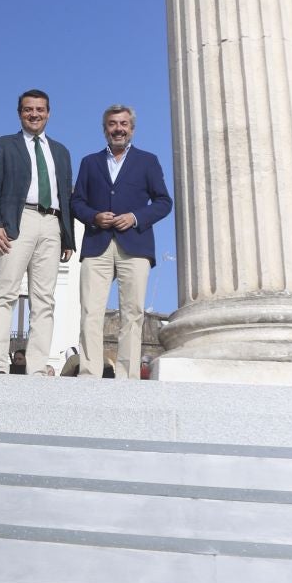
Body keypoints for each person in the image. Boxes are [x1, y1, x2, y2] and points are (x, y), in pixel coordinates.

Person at [71, 104, 172, 379]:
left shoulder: (148, 161)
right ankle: (89, 372)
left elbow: (164, 202)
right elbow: (76, 202)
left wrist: (136, 217)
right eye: (113, 124)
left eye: (123, 124)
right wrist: (94, 217)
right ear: (105, 129)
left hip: (135, 244)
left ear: (132, 129)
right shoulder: (89, 162)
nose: (118, 128)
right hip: (97, 244)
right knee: (91, 311)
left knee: (133, 312)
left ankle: (127, 376)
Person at [0, 91, 74, 375]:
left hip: (52, 224)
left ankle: (36, 367)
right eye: (28, 109)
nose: (34, 114)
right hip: (16, 221)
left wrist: (67, 236)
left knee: (44, 299)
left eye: (40, 109)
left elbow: (65, 195)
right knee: (5, 292)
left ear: (49, 113)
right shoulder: (5, 144)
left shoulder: (60, 151)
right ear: (19, 113)